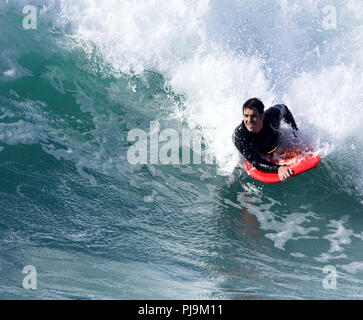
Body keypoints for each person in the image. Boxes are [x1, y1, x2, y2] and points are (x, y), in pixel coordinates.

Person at [233, 98, 299, 182]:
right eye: (246, 116)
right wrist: (278, 168)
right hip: (253, 150)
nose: (249, 120)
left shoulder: (272, 116)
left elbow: (284, 108)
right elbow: (256, 162)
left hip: (273, 143)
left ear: (262, 116)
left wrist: (295, 132)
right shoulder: (239, 136)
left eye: (254, 116)